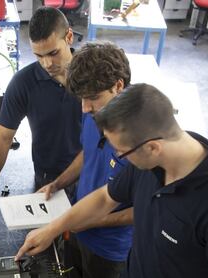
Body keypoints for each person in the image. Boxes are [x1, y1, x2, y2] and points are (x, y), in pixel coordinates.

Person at [16, 83, 208, 278]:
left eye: (121, 152)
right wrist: (52, 229)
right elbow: (106, 197)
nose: (117, 157)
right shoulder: (148, 163)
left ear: (152, 147)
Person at [0, 7, 82, 207]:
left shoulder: (93, 74)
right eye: (38, 55)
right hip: (48, 177)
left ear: (69, 37)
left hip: (92, 171)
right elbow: (3, 138)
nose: (46, 63)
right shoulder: (23, 83)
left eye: (53, 53)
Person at [38, 42, 133, 278]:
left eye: (92, 98)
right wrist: (58, 184)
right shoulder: (94, 113)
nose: (84, 108)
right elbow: (89, 153)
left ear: (118, 85)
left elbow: (143, 210)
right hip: (77, 226)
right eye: (81, 98)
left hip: (109, 251)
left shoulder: (140, 139)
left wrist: (95, 221)